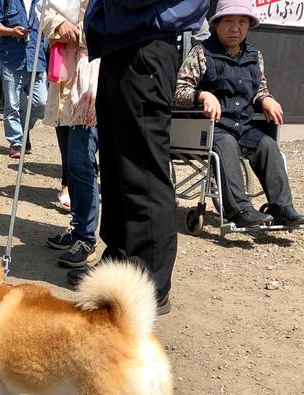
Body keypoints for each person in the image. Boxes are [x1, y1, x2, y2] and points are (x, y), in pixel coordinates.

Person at [68, 0, 208, 313]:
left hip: (146, 42)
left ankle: (150, 282)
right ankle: (120, 264)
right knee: (118, 167)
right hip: (122, 43)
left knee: (141, 169)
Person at [174, 0, 304, 229]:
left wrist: (265, 99)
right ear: (216, 24)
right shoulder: (202, 53)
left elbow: (259, 89)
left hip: (243, 126)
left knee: (267, 145)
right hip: (212, 128)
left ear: (248, 26)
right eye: (229, 22)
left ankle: (281, 207)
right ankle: (239, 209)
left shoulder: (255, 56)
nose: (236, 28)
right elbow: (179, 91)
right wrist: (203, 96)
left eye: (242, 22)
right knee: (226, 143)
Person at [41, 0, 99, 270]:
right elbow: (45, 14)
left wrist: (78, 29)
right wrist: (58, 25)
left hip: (92, 78)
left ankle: (86, 236)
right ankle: (77, 228)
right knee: (70, 162)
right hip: (64, 74)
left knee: (81, 160)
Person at [0, 0, 46, 158]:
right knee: (12, 105)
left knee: (40, 102)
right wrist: (11, 31)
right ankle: (16, 142)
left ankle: (22, 132)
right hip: (11, 58)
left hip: (36, 59)